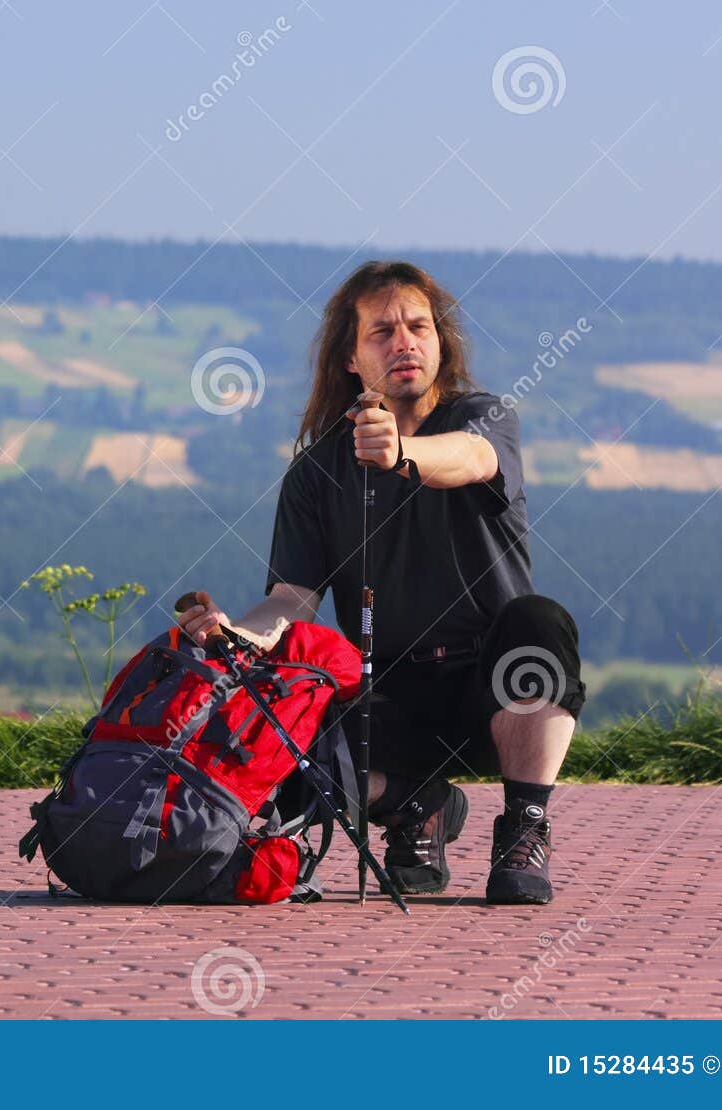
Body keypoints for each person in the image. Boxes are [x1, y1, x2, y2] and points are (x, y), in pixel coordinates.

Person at [176, 260, 586, 905]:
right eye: (382, 332)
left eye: (419, 327)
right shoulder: (317, 473)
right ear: (350, 357)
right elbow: (291, 601)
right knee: (286, 767)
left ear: (440, 343)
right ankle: (417, 807)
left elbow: (473, 460)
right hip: (390, 690)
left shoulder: (481, 417)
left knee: (539, 623)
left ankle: (524, 827)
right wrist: (231, 632)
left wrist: (401, 454)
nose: (406, 342)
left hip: (494, 688)